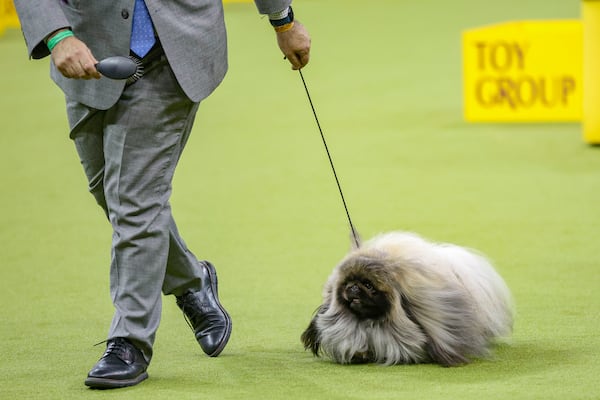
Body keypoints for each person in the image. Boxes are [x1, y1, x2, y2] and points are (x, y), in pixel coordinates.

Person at [13, 0, 311, 390]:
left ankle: (130, 341)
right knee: (110, 192)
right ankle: (191, 281)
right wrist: (57, 35)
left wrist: (282, 20)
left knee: (134, 202)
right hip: (87, 49)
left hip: (174, 51)